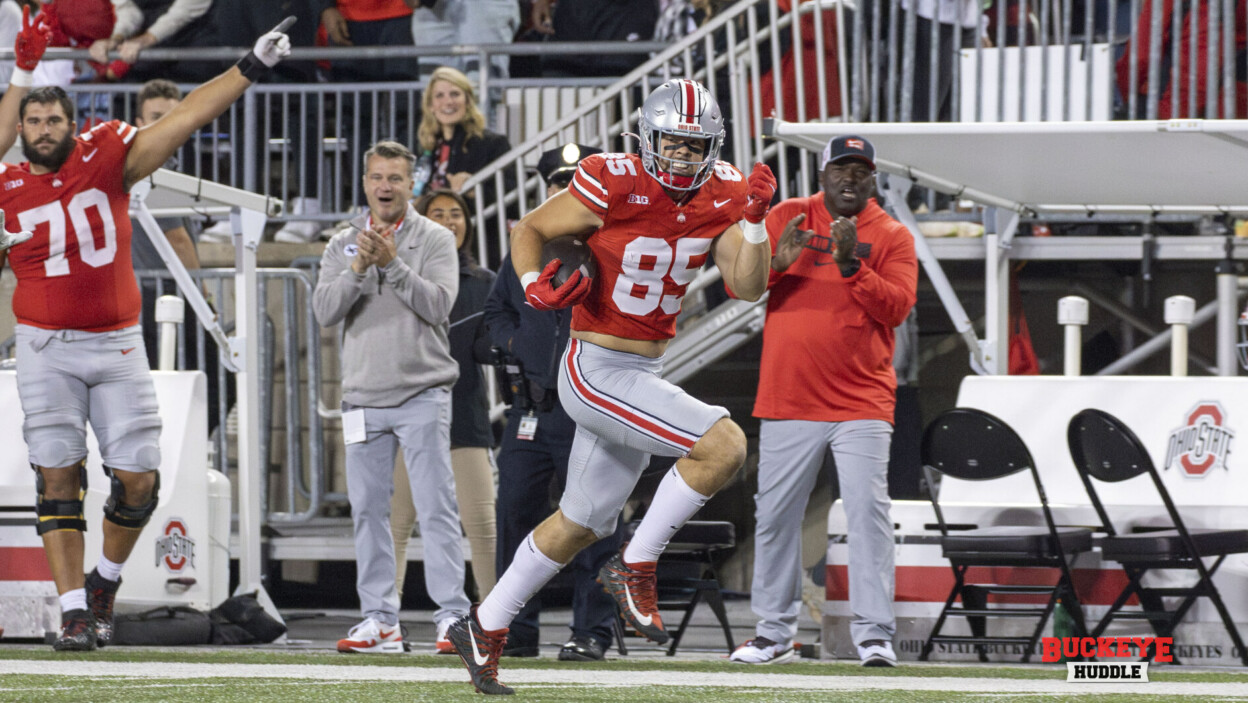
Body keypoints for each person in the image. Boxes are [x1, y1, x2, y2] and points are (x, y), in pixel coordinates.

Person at [447, 78, 777, 695]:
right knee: (724, 445)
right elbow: (528, 230)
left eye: (694, 145)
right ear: (647, 140)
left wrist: (756, 223)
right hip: (595, 366)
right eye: (672, 143)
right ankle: (637, 565)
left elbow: (749, 285)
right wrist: (532, 286)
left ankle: (483, 626)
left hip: (641, 372)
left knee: (581, 522)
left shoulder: (726, 191)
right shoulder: (613, 178)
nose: (682, 156)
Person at [0, 21, 292, 652]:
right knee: (57, 475)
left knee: (139, 480)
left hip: (115, 342)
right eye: (34, 121)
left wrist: (250, 65)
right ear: (20, 130)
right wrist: (21, 78)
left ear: (72, 125)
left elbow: (184, 117)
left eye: (54, 120)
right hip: (44, 346)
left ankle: (104, 581)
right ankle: (74, 611)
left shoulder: (107, 156)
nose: (44, 130)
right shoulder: (7, 189)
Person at [728, 135, 917, 667]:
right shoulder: (789, 215)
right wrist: (777, 264)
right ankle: (772, 634)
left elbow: (897, 308)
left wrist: (852, 266)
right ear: (823, 173)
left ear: (875, 179)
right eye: (842, 169)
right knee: (775, 516)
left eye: (861, 171)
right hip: (789, 397)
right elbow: (738, 287)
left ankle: (875, 634)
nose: (851, 179)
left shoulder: (892, 235)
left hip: (862, 401)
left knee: (867, 515)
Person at [312, 140, 471, 655]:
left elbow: (440, 306)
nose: (386, 187)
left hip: (422, 392)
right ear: (365, 183)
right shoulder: (341, 245)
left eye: (396, 179)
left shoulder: (436, 239)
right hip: (361, 398)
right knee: (367, 512)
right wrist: (359, 267)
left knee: (436, 508)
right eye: (378, 177)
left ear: (411, 185)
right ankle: (380, 620)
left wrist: (395, 265)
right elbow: (325, 312)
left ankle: (453, 617)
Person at [482, 142, 624, 663]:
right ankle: (515, 628)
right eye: (556, 185)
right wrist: (517, 344)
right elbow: (496, 312)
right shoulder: (526, 247)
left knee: (593, 522)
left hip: (589, 411)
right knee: (516, 515)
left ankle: (592, 632)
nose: (563, 193)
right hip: (532, 407)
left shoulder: (614, 247)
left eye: (573, 184)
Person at [389, 187, 497, 612]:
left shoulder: (485, 284)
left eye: (457, 213)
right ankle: (383, 617)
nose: (450, 221)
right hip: (406, 415)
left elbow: (494, 347)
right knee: (397, 523)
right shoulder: (399, 276)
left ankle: (492, 616)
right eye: (439, 213)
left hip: (465, 418)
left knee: (481, 524)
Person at [127, 78, 231, 435]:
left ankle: (174, 448)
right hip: (168, 294)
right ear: (139, 123)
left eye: (173, 116)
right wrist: (201, 296)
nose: (165, 124)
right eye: (156, 116)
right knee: (220, 380)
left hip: (148, 296)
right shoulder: (156, 169)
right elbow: (179, 241)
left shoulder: (150, 165)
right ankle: (182, 446)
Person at [413, 65, 509, 198]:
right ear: (430, 106)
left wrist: (474, 189)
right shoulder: (426, 147)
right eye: (439, 95)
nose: (448, 102)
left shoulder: (493, 144)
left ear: (468, 101)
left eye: (455, 94)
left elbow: (513, 196)